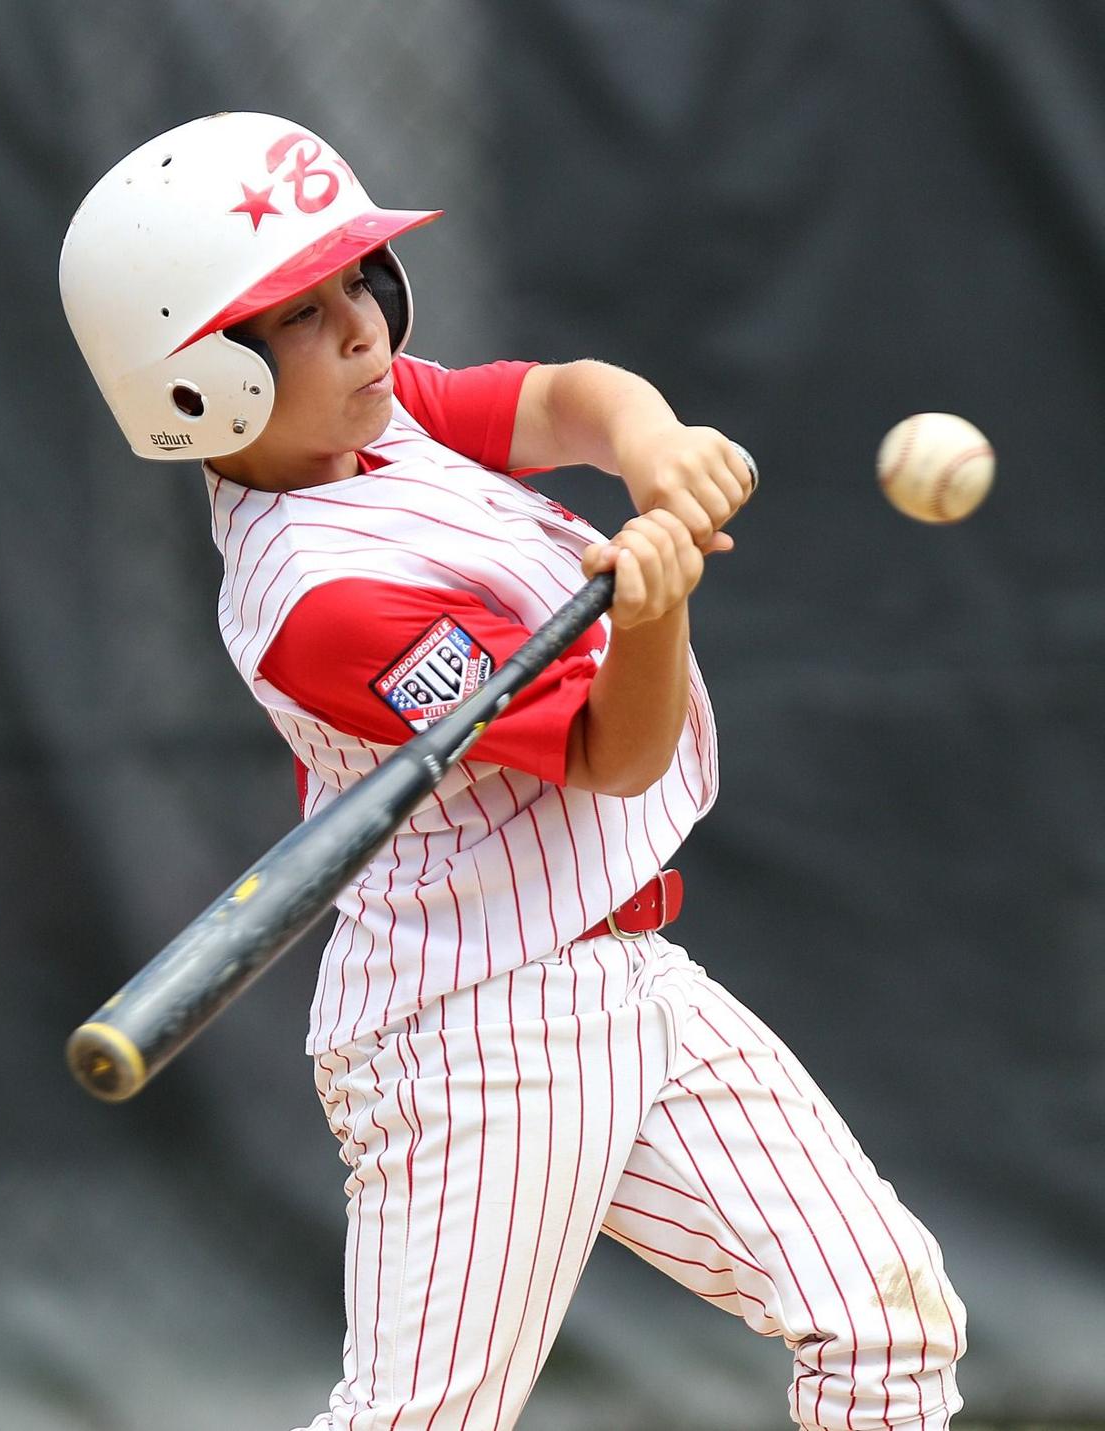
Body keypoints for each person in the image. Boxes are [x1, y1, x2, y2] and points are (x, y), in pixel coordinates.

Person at [60, 111, 966, 1431]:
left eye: (359, 281)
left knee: (882, 1318)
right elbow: (614, 751)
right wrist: (653, 612)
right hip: (474, 1033)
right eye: (301, 316)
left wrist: (646, 445)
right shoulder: (320, 598)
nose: (365, 327)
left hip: (619, 972)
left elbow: (558, 399)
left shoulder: (375, 423)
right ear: (195, 383)